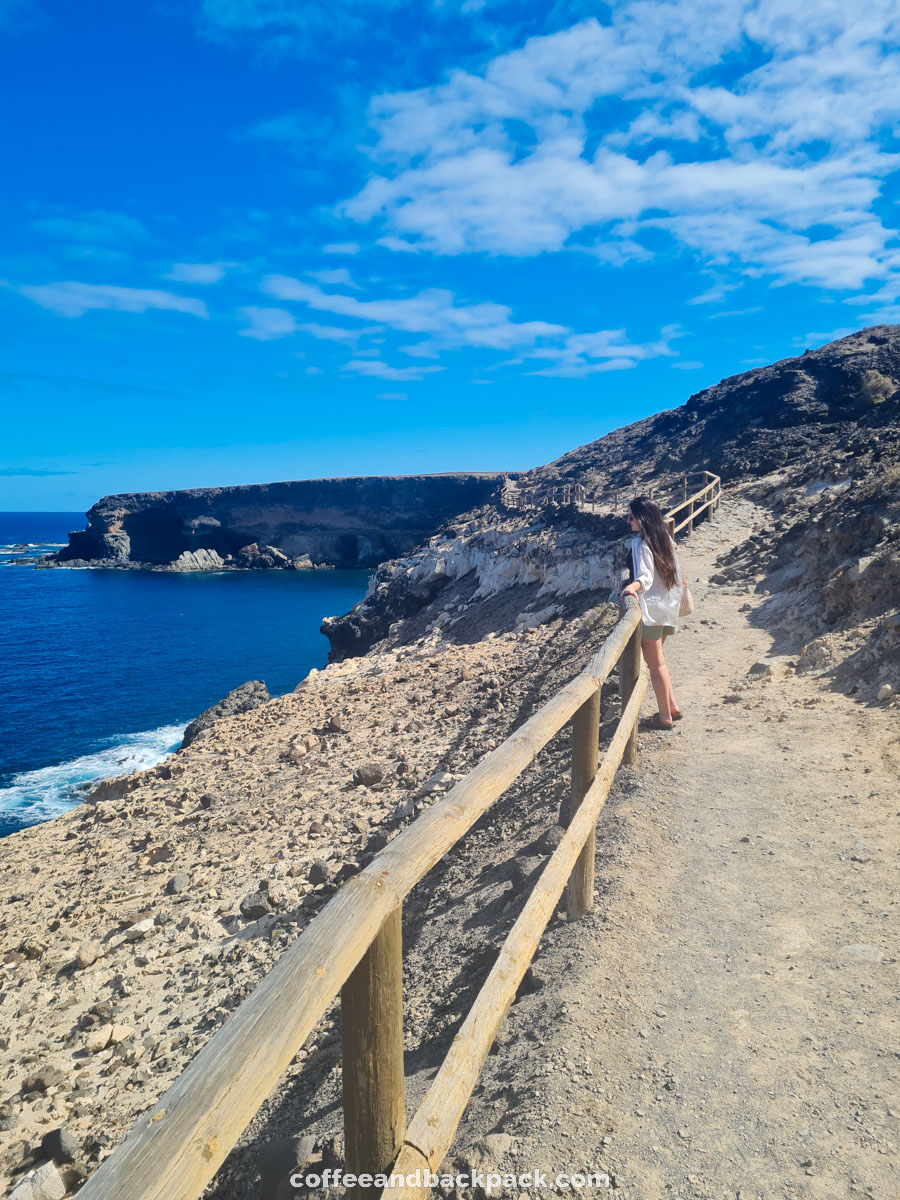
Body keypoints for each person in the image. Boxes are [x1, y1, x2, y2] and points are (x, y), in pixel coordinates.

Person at [619, 495, 686, 730]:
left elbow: (645, 577)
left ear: (643, 518)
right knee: (659, 662)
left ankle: (665, 717)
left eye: (631, 517)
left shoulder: (641, 543)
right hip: (668, 608)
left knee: (656, 665)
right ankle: (672, 707)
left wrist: (632, 587)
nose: (628, 521)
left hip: (651, 611)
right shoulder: (664, 538)